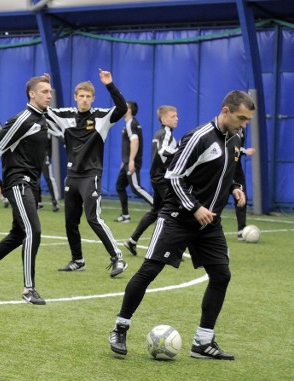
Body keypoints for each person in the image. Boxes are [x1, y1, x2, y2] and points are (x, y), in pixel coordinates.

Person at [109, 90, 255, 360]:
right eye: (241, 118)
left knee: (221, 275)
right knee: (149, 271)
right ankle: (120, 328)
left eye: (247, 120)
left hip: (209, 223)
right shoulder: (199, 137)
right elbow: (172, 177)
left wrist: (235, 187)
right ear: (226, 111)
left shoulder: (236, 137)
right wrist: (195, 207)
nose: (244, 124)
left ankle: (202, 342)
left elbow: (232, 168)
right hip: (178, 216)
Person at [0, 74, 52, 305]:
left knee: (18, 234)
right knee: (33, 231)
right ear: (31, 94)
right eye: (44, 92)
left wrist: (42, 79)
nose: (49, 95)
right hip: (18, 181)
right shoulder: (22, 119)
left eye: (50, 92)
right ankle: (29, 290)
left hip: (33, 184)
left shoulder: (42, 117)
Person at [46, 69, 128, 277]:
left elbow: (122, 107)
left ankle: (118, 258)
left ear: (93, 98)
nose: (84, 100)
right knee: (70, 221)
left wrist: (109, 84)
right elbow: (42, 109)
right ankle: (77, 260)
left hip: (91, 175)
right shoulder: (65, 116)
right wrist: (43, 86)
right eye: (81, 96)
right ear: (75, 98)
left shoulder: (101, 116)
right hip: (71, 176)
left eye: (88, 96)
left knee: (93, 218)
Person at [123, 105, 179, 255]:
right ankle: (163, 248)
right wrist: (181, 153)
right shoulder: (166, 132)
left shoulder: (160, 132)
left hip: (157, 177)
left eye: (176, 116)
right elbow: (163, 151)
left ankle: (132, 240)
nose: (177, 118)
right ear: (164, 119)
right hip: (163, 179)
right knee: (174, 211)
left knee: (155, 211)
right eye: (173, 116)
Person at [115, 101, 153, 223]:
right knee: (120, 186)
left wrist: (131, 160)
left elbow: (135, 142)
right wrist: (125, 161)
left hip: (132, 162)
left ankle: (159, 207)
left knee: (136, 188)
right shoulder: (129, 124)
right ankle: (125, 215)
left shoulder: (131, 124)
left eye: (124, 106)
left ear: (129, 110)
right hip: (126, 162)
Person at [234, 128, 256, 240]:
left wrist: (243, 151)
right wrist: (245, 151)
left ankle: (241, 230)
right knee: (218, 198)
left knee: (242, 198)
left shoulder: (243, 129)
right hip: (222, 167)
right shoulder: (228, 126)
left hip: (236, 168)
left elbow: (237, 148)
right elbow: (229, 147)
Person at [35, 133, 60, 212]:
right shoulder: (31, 124)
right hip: (35, 155)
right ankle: (38, 201)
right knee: (35, 178)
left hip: (45, 155)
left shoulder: (47, 125)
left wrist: (48, 155)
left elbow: (53, 137)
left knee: (48, 177)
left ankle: (55, 201)